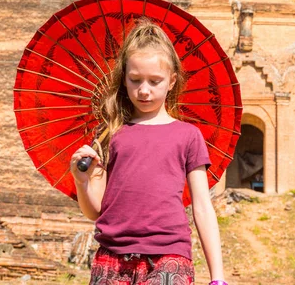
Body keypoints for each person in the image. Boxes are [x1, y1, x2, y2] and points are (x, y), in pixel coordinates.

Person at [70, 20, 228, 285]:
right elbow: (96, 211)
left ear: (172, 80)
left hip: (169, 256)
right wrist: (81, 181)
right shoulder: (108, 134)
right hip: (112, 258)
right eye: (135, 80)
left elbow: (202, 206)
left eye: (155, 81)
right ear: (124, 79)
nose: (144, 90)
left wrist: (218, 277)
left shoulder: (188, 136)